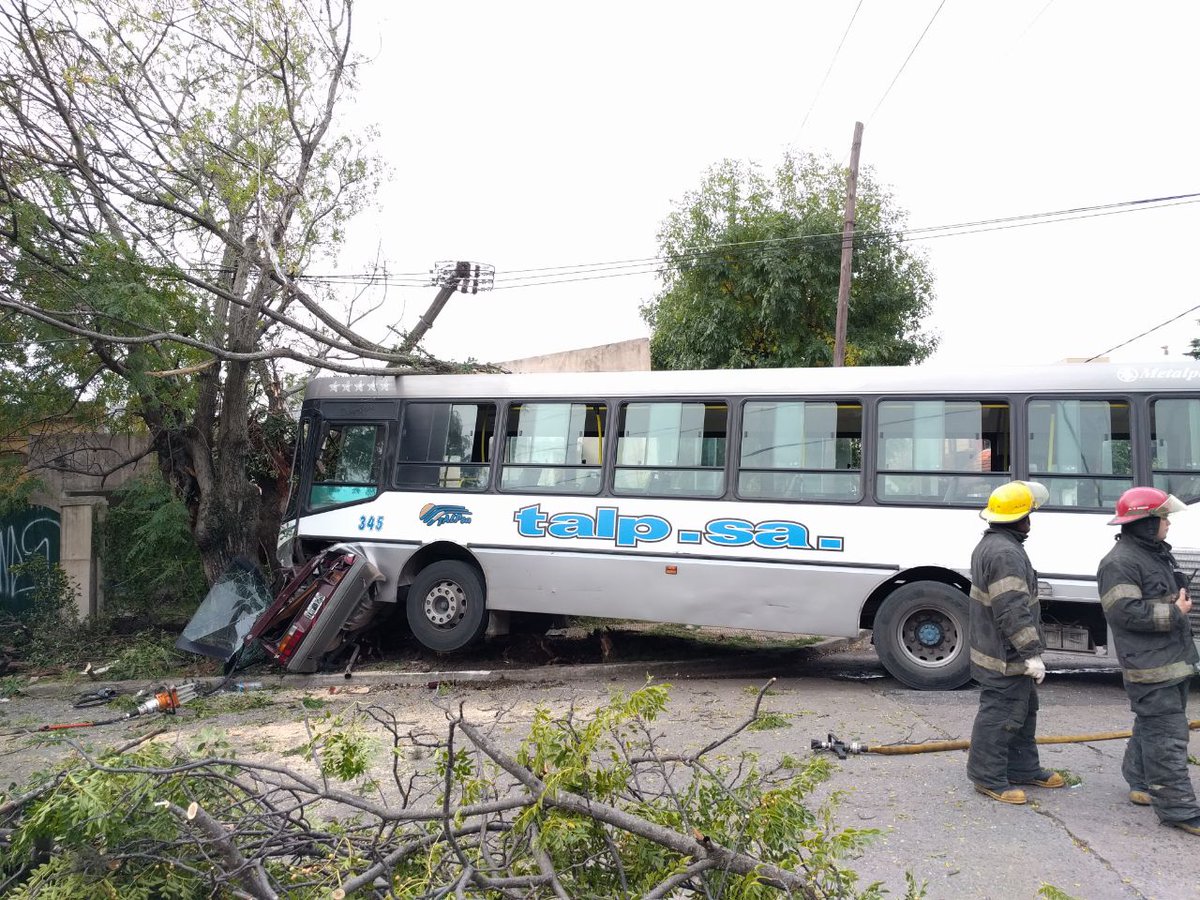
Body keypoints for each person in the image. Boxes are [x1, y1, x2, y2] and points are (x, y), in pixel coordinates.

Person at [1097, 486, 1200, 835]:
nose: (1168, 524)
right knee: (1169, 738)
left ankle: (1139, 779)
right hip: (1151, 668)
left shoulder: (1153, 554)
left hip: (1172, 660)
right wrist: (1174, 612)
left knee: (1151, 725)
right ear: (1145, 523)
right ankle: (1178, 809)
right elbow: (1125, 613)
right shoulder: (1119, 562)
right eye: (1163, 517)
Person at [967, 480, 1066, 804]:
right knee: (1001, 715)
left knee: (1024, 710)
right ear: (1020, 518)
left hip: (1002, 652)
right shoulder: (1005, 552)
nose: (1032, 520)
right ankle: (988, 777)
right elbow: (1011, 609)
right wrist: (1031, 653)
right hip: (1004, 656)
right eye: (1030, 514)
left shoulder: (996, 544)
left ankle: (1023, 768)